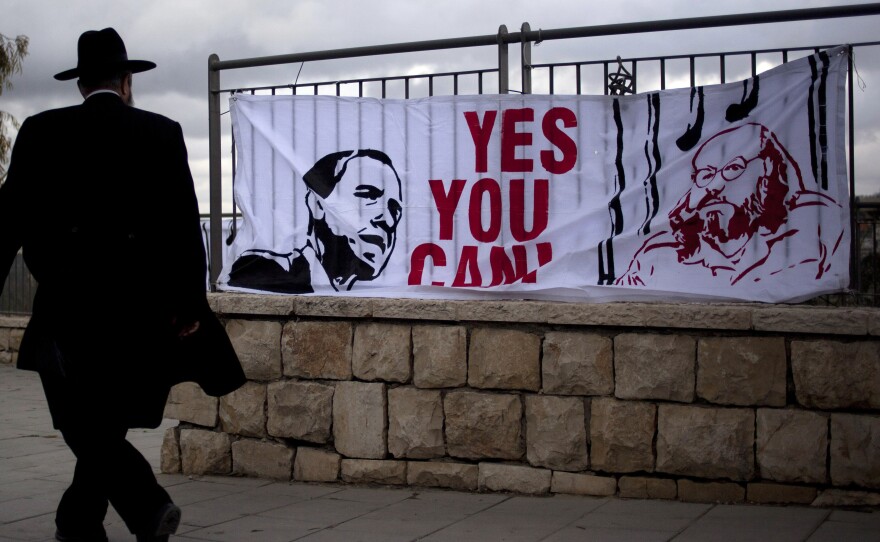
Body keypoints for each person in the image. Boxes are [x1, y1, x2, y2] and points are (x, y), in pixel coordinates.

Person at [0, 28, 245, 542]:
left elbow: (6, 222)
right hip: (140, 315)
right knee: (103, 419)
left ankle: (107, 516)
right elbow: (184, 228)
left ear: (80, 85)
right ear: (127, 81)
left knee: (81, 420)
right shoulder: (162, 132)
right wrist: (189, 305)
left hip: (65, 311)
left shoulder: (40, 131)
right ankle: (110, 515)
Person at [617, 122, 844, 287]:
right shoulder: (657, 254)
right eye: (706, 176)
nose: (717, 186)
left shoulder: (812, 228)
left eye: (733, 169)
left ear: (768, 176)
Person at [228, 149, 403, 292]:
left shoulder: (390, 286)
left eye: (394, 207)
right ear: (318, 206)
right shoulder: (268, 272)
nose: (387, 218)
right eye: (369, 196)